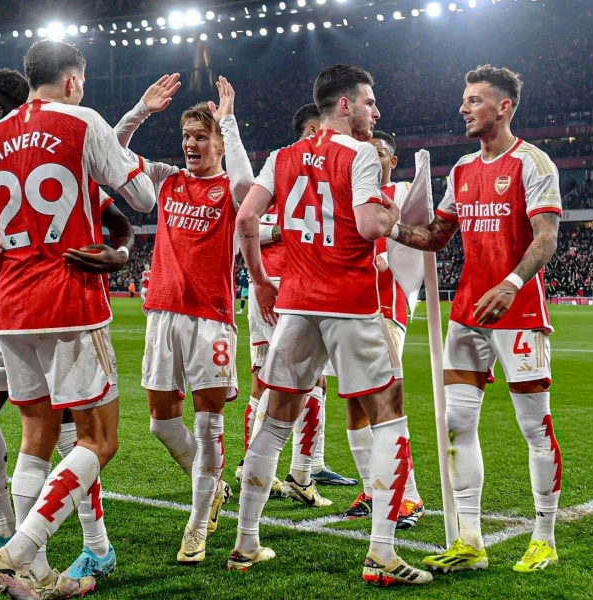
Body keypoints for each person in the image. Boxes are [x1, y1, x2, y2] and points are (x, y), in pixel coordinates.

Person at [0, 40, 155, 599]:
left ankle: (35, 563)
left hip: (10, 310)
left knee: (38, 436)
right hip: (71, 301)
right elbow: (143, 198)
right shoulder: (82, 121)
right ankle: (18, 552)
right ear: (72, 81)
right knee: (99, 439)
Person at [231, 64, 431, 587]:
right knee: (388, 417)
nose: (375, 112)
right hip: (349, 302)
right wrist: (394, 215)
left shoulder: (282, 157)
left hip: (296, 303)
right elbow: (368, 225)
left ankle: (246, 542)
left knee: (275, 420)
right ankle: (381, 554)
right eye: (369, 102)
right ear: (345, 105)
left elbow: (246, 219)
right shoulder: (359, 154)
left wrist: (260, 281)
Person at [388, 65, 564, 574]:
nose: (463, 108)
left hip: (518, 311)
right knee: (456, 424)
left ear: (503, 107)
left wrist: (511, 284)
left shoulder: (533, 162)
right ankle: (471, 540)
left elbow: (546, 237)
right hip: (468, 314)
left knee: (534, 427)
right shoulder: (463, 169)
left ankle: (544, 538)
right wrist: (388, 226)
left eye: (474, 100)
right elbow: (436, 236)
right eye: (464, 100)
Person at [114, 73, 253, 565]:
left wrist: (228, 122)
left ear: (219, 143)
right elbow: (110, 151)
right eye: (186, 137)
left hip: (210, 319)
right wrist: (141, 110)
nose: (191, 145)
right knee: (161, 424)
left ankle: (196, 526)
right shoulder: (168, 179)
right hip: (162, 316)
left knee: (209, 425)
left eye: (201, 137)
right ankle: (211, 488)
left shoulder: (232, 191)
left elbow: (246, 182)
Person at [239, 103, 356, 508]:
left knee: (282, 381)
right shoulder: (289, 172)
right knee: (296, 382)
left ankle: (288, 469)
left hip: (284, 288)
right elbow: (248, 222)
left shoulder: (290, 172)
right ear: (312, 130)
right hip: (283, 288)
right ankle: (292, 473)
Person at [342, 130, 424, 530]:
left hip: (386, 307)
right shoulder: (353, 196)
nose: (371, 159)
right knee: (355, 404)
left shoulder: (403, 192)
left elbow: (424, 235)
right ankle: (372, 490)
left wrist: (392, 255)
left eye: (379, 153)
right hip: (348, 309)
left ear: (392, 160)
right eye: (366, 153)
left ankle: (409, 496)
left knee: (385, 402)